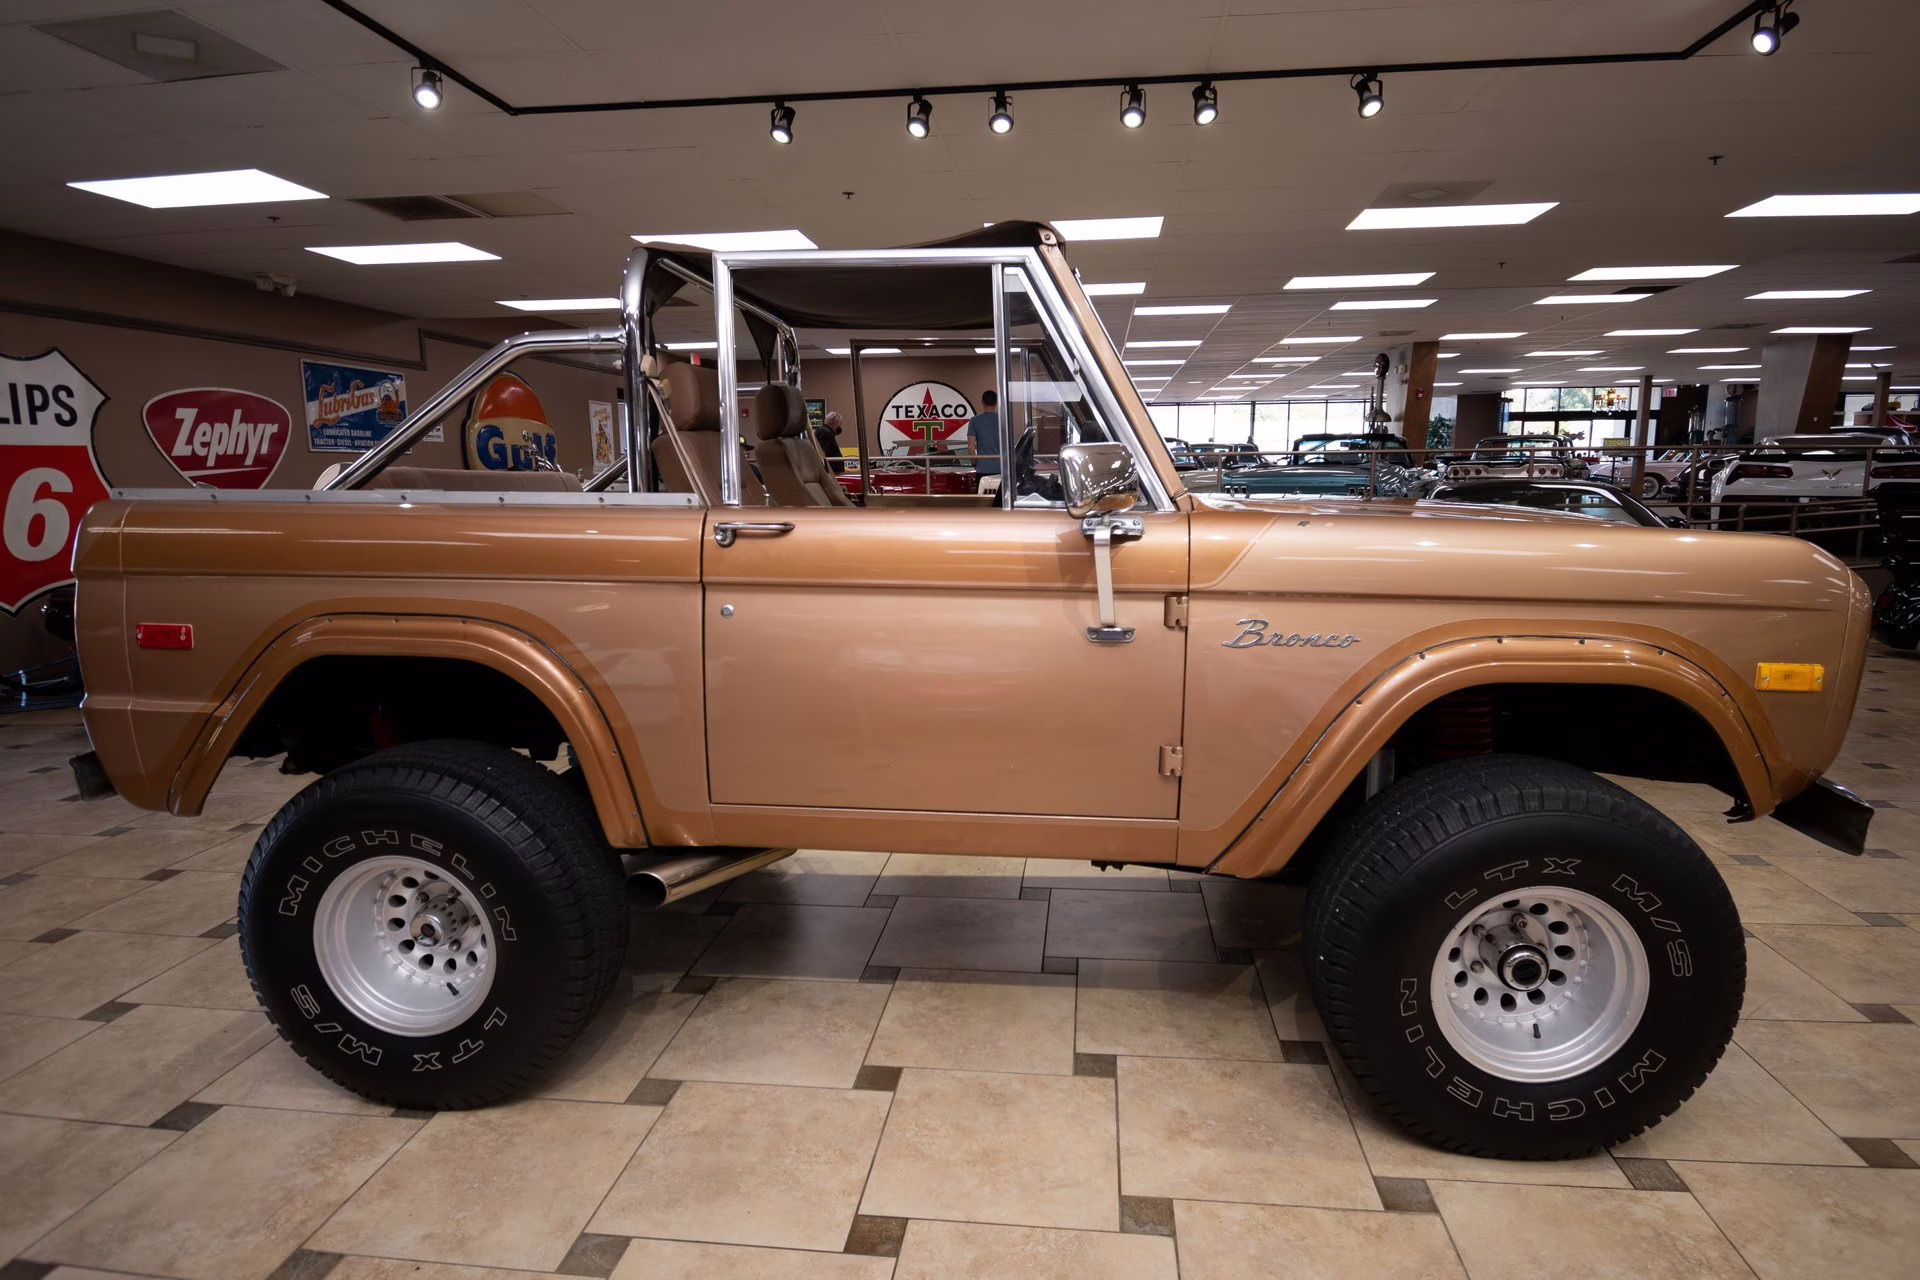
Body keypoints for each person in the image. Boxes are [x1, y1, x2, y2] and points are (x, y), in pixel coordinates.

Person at [963, 391, 1002, 477]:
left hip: (983, 468)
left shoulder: (975, 421)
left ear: (982, 402)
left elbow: (971, 448)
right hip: (1002, 468)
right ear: (996, 403)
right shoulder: (1004, 420)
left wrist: (975, 463)